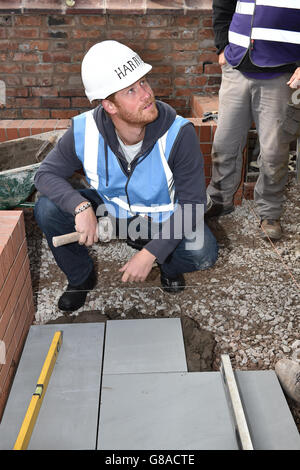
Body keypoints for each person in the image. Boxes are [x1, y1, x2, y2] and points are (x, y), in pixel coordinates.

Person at [34, 40, 218, 312]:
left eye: (144, 82)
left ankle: (165, 264)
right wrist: (81, 207)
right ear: (109, 105)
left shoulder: (179, 133)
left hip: (160, 218)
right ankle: (80, 277)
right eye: (131, 90)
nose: (146, 94)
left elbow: (192, 205)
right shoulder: (85, 130)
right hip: (111, 209)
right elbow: (45, 174)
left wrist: (151, 253)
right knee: (47, 209)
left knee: (203, 252)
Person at [206, 0, 300, 240]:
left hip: (281, 73)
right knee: (224, 142)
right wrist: (222, 48)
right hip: (236, 67)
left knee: (273, 151)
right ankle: (219, 199)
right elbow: (223, 5)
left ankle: (270, 212)